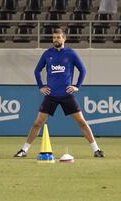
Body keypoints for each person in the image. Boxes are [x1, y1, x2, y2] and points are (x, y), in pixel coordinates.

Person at [14, 29, 104, 158]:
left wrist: (77, 86)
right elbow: (37, 71)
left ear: (64, 39)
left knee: (82, 122)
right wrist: (41, 86)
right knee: (37, 123)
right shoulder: (47, 54)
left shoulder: (71, 53)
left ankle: (96, 150)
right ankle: (24, 150)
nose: (56, 39)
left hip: (67, 95)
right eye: (54, 37)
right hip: (51, 96)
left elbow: (83, 69)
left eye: (58, 37)